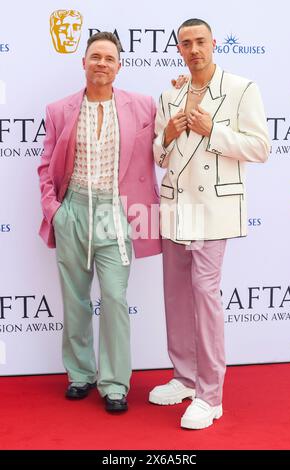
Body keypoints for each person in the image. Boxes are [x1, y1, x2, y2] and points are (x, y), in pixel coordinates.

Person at [150, 18, 270, 429]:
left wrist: (212, 130)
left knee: (205, 297)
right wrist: (166, 134)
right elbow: (159, 156)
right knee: (175, 297)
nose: (194, 49)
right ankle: (184, 378)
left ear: (213, 43)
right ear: (179, 49)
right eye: (186, 43)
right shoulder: (171, 92)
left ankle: (211, 395)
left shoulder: (241, 89)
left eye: (200, 41)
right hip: (175, 208)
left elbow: (260, 147)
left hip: (213, 211)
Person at [38, 32, 161, 412]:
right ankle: (79, 374)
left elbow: (165, 140)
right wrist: (54, 209)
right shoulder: (60, 110)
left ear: (119, 65)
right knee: (74, 300)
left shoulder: (143, 106)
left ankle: (114, 384)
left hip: (116, 213)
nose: (102, 63)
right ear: (84, 63)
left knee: (114, 298)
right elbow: (45, 165)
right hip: (72, 209)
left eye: (109, 57)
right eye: (95, 56)